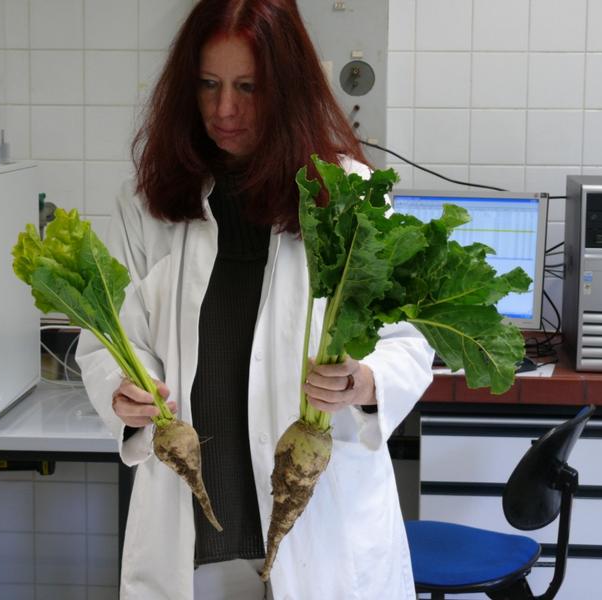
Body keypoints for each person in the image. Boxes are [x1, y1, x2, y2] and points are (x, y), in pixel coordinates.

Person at [75, 1, 434, 598]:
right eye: (209, 85)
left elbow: (408, 341)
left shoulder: (346, 193)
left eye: (248, 87)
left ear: (287, 90)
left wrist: (366, 381)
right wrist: (121, 388)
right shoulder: (148, 201)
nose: (224, 109)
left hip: (320, 531)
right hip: (188, 535)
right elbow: (103, 334)